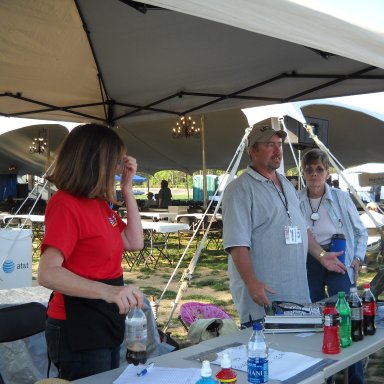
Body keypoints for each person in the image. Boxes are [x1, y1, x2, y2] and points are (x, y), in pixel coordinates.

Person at [38, 124, 145, 381]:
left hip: (105, 313)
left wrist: (127, 189)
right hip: (77, 320)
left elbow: (134, 241)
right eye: (115, 163)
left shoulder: (98, 204)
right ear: (96, 162)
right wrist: (110, 291)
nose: (118, 169)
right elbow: (47, 273)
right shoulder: (65, 203)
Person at [222, 123, 344, 327]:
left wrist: (321, 256)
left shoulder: (287, 184)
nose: (278, 150)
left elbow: (302, 227)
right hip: (265, 294)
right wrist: (252, 284)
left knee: (297, 350)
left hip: (296, 291)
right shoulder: (240, 189)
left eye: (279, 144)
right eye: (270, 145)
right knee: (268, 353)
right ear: (253, 151)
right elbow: (237, 243)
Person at [299, 148, 367, 384]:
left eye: (319, 169)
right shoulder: (297, 199)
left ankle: (355, 377)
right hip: (310, 260)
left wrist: (357, 258)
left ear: (327, 172)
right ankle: (322, 376)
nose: (314, 174)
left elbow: (360, 231)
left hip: (338, 257)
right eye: (309, 170)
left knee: (346, 316)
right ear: (303, 172)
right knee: (317, 318)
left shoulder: (340, 197)